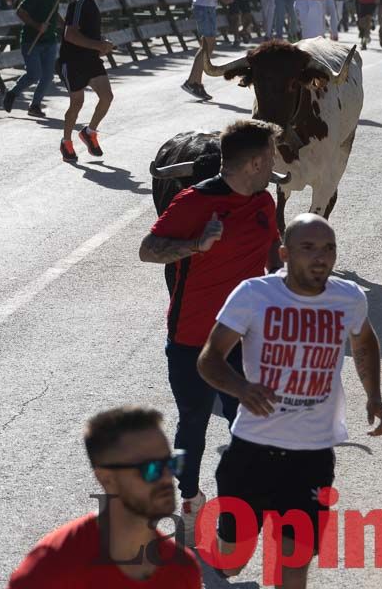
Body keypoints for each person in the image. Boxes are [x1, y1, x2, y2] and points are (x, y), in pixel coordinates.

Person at [198, 214, 382, 586]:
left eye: (328, 248)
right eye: (308, 248)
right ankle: (215, 556)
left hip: (312, 455)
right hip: (251, 450)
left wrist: (374, 396)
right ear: (284, 254)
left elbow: (363, 340)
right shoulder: (254, 295)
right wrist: (242, 390)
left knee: (294, 562)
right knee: (233, 561)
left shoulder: (349, 297)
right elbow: (209, 358)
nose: (320, 257)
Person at [140, 119, 283, 533]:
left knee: (247, 421)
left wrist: (282, 274)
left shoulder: (264, 204)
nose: (275, 164)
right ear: (255, 162)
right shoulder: (191, 202)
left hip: (244, 339)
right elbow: (147, 251)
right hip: (191, 339)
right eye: (271, 157)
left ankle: (234, 507)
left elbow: (271, 251)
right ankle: (188, 495)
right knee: (193, 420)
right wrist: (195, 245)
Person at [8, 406, 200, 586]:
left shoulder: (183, 570)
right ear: (106, 478)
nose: (167, 477)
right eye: (151, 469)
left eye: (172, 463)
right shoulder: (51, 570)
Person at [58, 0, 115, 163]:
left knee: (107, 96)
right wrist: (99, 44)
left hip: (90, 59)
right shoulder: (79, 2)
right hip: (72, 61)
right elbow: (70, 34)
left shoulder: (90, 2)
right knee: (77, 103)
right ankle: (66, 141)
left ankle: (89, 132)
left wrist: (100, 46)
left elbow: (86, 33)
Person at [5, 0, 64, 117]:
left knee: (48, 76)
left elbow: (54, 11)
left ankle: (35, 105)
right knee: (34, 74)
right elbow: (20, 11)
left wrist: (63, 24)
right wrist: (37, 25)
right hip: (33, 40)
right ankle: (12, 93)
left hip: (50, 40)